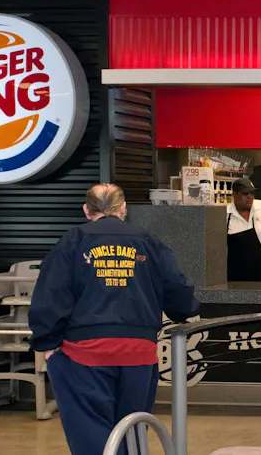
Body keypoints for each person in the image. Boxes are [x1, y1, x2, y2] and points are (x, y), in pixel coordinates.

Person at [29, 183, 200, 455]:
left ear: (87, 210)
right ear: (123, 209)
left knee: (91, 432)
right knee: (131, 430)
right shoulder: (148, 240)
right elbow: (177, 288)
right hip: (139, 352)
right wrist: (184, 310)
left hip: (82, 354)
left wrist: (46, 341)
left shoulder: (72, 241)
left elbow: (50, 294)